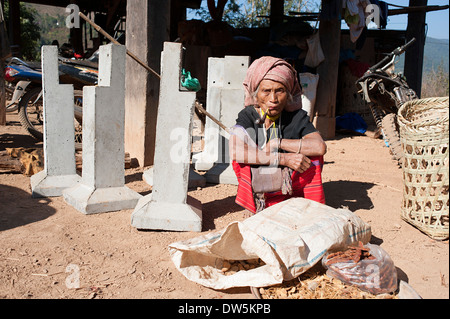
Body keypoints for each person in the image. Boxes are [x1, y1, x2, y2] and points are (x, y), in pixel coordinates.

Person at [229, 56, 327, 215]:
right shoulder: (247, 115)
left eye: (279, 91)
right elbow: (236, 151)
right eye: (266, 91)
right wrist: (283, 158)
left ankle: (311, 208)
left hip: (287, 179)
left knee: (315, 158)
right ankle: (255, 204)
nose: (273, 99)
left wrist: (277, 143)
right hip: (261, 176)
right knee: (240, 161)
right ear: (256, 94)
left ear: (288, 94)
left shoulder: (297, 117)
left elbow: (319, 146)